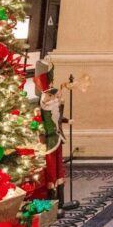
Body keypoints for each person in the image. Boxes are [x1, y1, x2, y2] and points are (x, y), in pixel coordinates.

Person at [34, 60, 66, 204]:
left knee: (59, 166)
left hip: (57, 137)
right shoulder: (42, 107)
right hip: (49, 141)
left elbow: (58, 117)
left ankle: (61, 195)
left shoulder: (52, 107)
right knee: (51, 167)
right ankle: (53, 197)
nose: (52, 98)